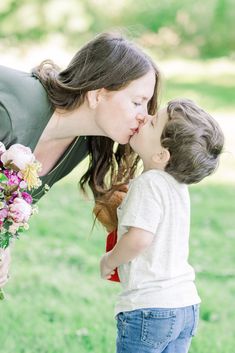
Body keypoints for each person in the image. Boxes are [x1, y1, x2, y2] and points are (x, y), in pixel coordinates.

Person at [0, 32, 160, 289]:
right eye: (138, 102)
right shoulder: (13, 111)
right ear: (98, 95)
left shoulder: (83, 143)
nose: (144, 116)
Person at [100, 98, 224, 353]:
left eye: (153, 122)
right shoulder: (178, 186)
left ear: (161, 155)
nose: (144, 118)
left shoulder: (149, 183)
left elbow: (139, 239)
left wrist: (110, 260)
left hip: (149, 309)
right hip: (185, 305)